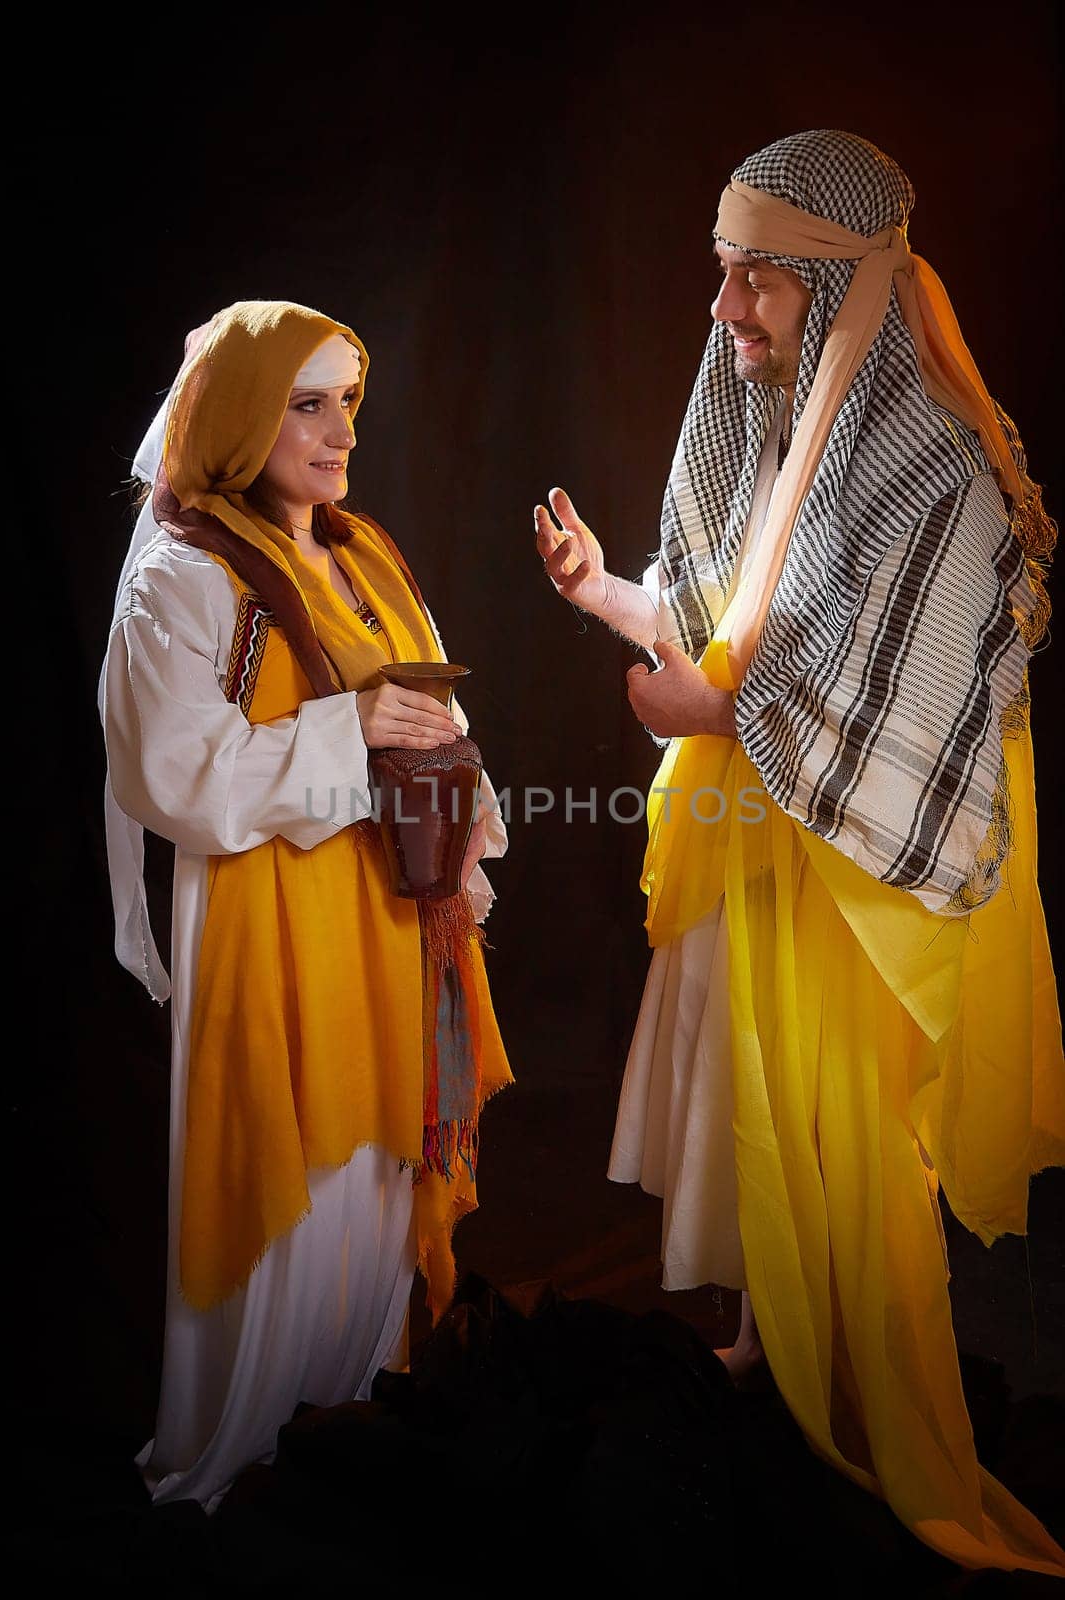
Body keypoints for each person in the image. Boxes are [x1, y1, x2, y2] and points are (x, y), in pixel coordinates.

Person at [535, 130, 1064, 1576]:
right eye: (722, 274)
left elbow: (867, 692)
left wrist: (706, 704)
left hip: (856, 887)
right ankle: (770, 1355)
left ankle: (879, 1423)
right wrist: (602, 600)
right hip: (761, 857)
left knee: (850, 1152)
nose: (723, 311)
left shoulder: (937, 470)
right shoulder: (777, 436)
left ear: (836, 285)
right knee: (756, 1124)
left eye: (754, 279)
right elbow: (728, 634)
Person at [100, 300, 513, 1510]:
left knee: (380, 1163)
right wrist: (350, 730)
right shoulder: (180, 577)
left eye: (349, 402)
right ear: (239, 414)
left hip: (387, 918)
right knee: (289, 1165)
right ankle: (250, 1448)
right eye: (307, 402)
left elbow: (433, 710)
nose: (340, 434)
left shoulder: (362, 551)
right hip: (270, 921)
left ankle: (355, 1407)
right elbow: (167, 771)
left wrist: (459, 825)